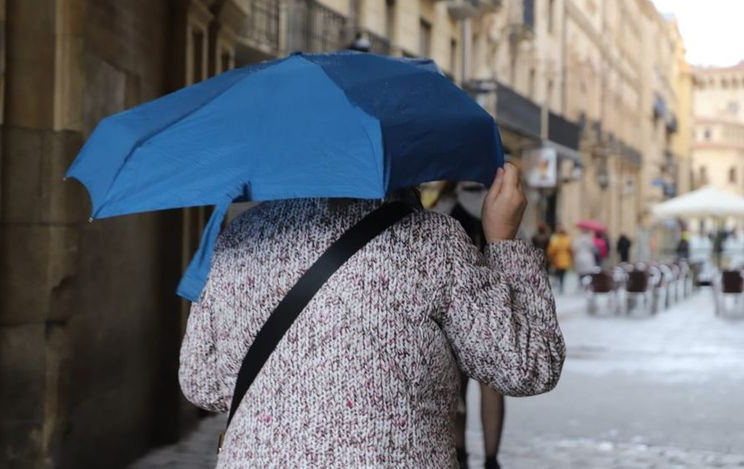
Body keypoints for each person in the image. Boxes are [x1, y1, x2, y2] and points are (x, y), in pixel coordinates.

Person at [179, 164, 564, 467]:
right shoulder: (433, 242)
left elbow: (201, 383)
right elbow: (529, 367)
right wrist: (504, 242)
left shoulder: (238, 237)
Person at [428, 181, 505, 469]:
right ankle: (491, 458)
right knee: (492, 387)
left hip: (453, 308)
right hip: (492, 304)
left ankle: (460, 454)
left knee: (455, 387)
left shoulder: (442, 207)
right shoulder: (496, 202)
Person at [546, 226, 573, 294]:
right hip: (565, 259)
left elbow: (551, 250)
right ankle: (562, 285)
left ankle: (559, 284)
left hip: (557, 259)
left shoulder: (555, 240)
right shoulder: (567, 239)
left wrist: (551, 257)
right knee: (563, 273)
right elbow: (570, 250)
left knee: (558, 273)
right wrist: (571, 258)